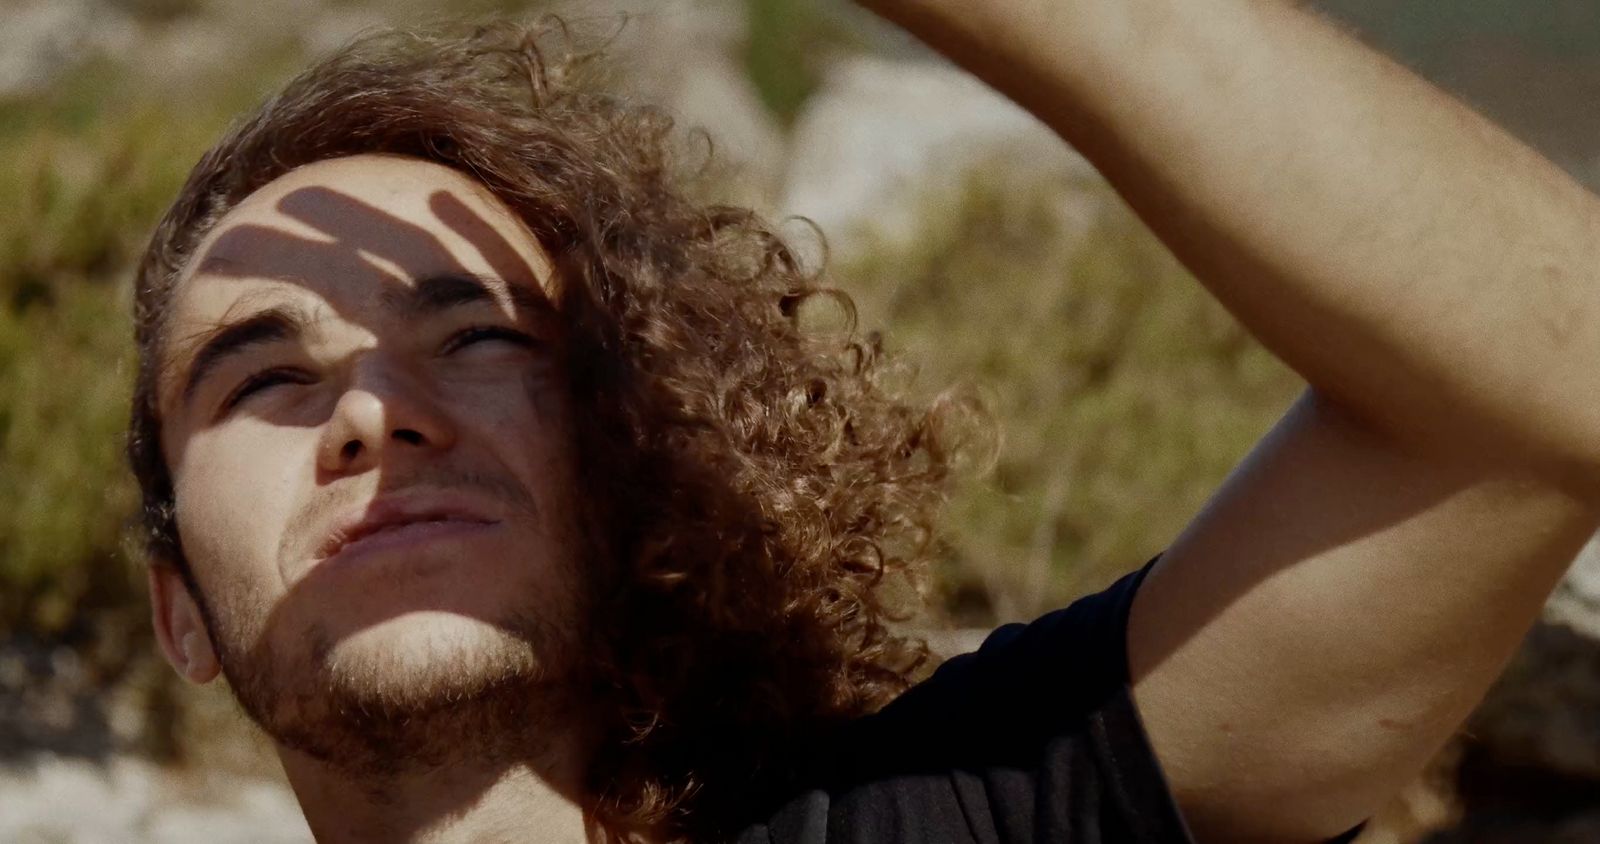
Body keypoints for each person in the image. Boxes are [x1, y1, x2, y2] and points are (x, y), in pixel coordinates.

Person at [128, 0, 1600, 841]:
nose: (378, 412)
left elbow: (1548, 389)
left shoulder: (964, 821)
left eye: (474, 337)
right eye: (265, 378)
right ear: (178, 609)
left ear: (632, 473)